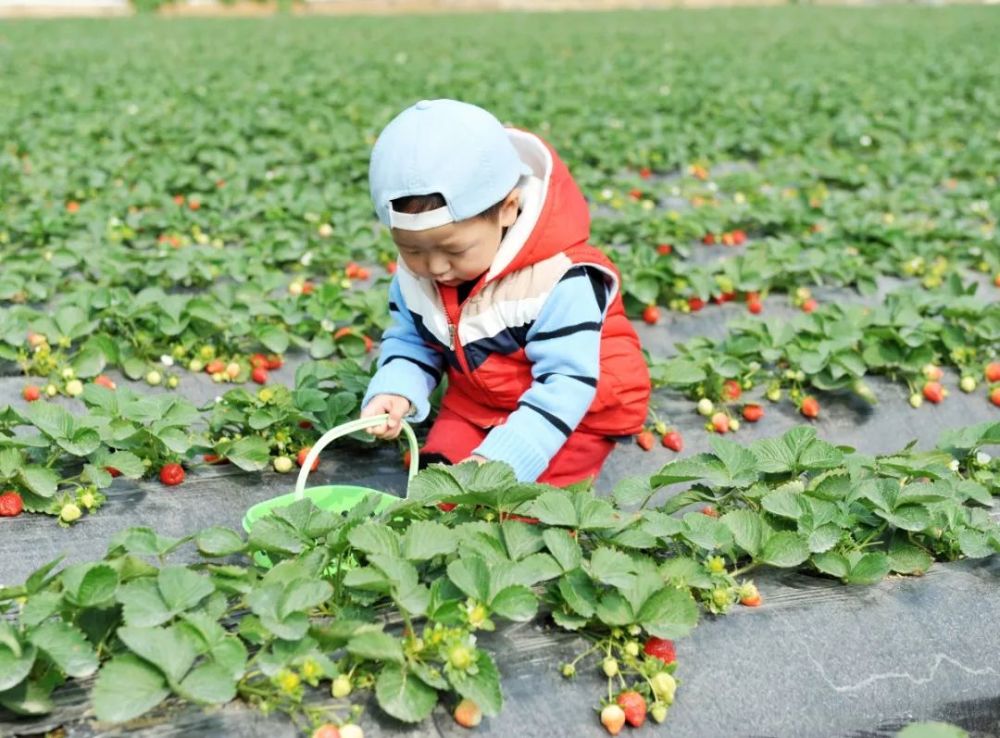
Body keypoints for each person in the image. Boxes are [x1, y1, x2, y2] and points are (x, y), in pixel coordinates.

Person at [360, 99, 649, 486]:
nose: (435, 267)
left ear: (508, 209)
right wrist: (397, 390)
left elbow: (567, 383)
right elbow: (414, 341)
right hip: (481, 399)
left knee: (507, 503)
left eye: (454, 250)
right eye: (412, 250)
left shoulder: (561, 280)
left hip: (582, 406)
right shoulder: (419, 276)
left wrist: (506, 457)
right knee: (438, 482)